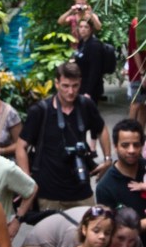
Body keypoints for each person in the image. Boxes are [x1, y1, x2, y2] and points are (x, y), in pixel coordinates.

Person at [17, 61, 110, 209]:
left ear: (80, 83)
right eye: (65, 86)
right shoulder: (40, 110)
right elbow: (20, 146)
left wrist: (107, 159)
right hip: (49, 191)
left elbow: (102, 129)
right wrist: (26, 178)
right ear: (56, 84)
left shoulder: (86, 105)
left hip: (81, 186)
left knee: (91, 227)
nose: (71, 91)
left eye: (75, 86)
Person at [95, 118, 146, 218]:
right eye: (125, 145)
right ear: (115, 146)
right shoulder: (105, 187)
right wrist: (145, 224)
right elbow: (108, 227)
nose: (131, 150)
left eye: (136, 145)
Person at [71, 14, 116, 103]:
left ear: (91, 30)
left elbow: (95, 70)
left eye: (86, 27)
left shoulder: (94, 45)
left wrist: (88, 92)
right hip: (81, 83)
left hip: (91, 87)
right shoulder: (82, 43)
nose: (83, 29)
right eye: (81, 27)